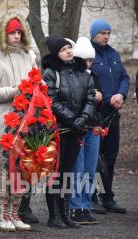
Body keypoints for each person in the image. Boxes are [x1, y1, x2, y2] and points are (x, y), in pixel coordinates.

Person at [0, 14, 36, 231]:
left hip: (27, 124)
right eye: (12, 32)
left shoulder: (29, 56)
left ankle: (15, 213)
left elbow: (36, 83)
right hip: (2, 124)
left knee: (22, 170)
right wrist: (17, 90)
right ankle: (2, 214)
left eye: (18, 32)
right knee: (4, 170)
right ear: (4, 34)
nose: (15, 36)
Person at [42, 36, 95, 229]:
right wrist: (73, 120)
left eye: (70, 48)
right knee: (55, 172)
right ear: (57, 53)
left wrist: (82, 120)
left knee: (68, 172)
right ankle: (54, 215)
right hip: (58, 130)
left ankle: (65, 213)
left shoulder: (84, 72)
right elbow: (51, 100)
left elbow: (90, 98)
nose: (68, 51)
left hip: (76, 129)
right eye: (64, 49)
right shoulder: (51, 73)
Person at [90, 19, 130, 214]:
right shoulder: (89, 55)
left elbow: (125, 77)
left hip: (113, 114)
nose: (106, 36)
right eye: (103, 33)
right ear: (94, 34)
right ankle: (91, 196)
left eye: (109, 33)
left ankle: (107, 196)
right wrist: (107, 98)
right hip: (97, 114)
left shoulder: (114, 54)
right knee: (94, 157)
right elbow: (89, 81)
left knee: (110, 157)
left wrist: (121, 95)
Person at [69, 36, 103, 225]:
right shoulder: (72, 76)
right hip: (79, 126)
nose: (88, 64)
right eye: (85, 60)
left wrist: (99, 98)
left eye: (91, 60)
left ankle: (86, 205)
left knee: (90, 168)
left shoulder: (94, 76)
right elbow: (71, 100)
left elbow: (100, 104)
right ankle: (76, 207)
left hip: (93, 125)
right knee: (78, 169)